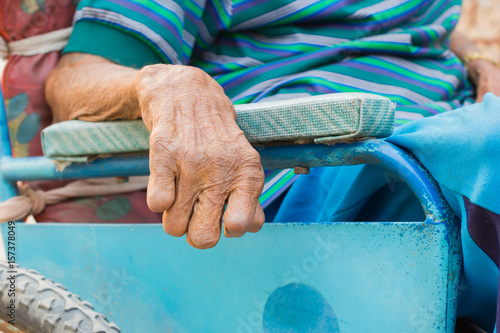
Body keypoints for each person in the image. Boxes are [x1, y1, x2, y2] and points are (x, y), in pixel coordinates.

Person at [45, 0, 500, 329]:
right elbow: (75, 78)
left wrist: (476, 58)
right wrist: (168, 86)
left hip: (452, 135)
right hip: (327, 167)